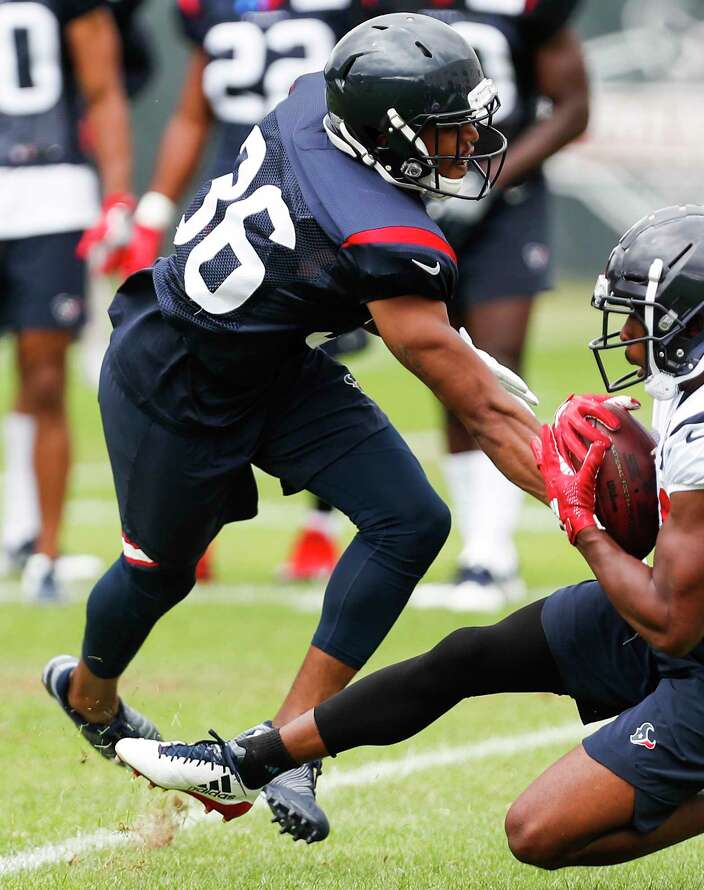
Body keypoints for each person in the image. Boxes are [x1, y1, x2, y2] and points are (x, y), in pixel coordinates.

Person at [115, 206, 704, 868]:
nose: (629, 333)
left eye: (644, 316)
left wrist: (582, 518)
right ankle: (245, 763)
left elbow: (668, 625)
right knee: (469, 655)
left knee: (537, 833)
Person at [43, 13, 544, 844]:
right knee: (160, 573)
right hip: (174, 378)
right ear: (388, 133)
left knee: (411, 519)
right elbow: (483, 411)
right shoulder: (385, 236)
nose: (468, 146)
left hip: (272, 363)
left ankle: (287, 742)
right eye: (446, 132)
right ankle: (87, 695)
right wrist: (583, 501)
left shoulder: (319, 100)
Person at [354, 0, 589, 609]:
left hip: (504, 202)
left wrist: (495, 174)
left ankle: (490, 552)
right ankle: (480, 549)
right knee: (446, 364)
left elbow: (573, 107)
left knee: (497, 354)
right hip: (415, 188)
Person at [117, 0, 362, 583]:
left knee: (321, 365)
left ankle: (318, 531)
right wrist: (152, 208)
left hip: (316, 203)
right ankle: (199, 525)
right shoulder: (210, 11)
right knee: (214, 360)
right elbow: (193, 114)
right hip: (239, 205)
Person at [0, 0, 134, 601]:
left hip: (51, 193)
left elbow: (104, 90)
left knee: (44, 373)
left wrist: (117, 196)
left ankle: (44, 550)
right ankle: (19, 528)